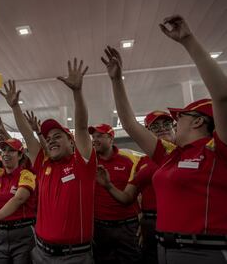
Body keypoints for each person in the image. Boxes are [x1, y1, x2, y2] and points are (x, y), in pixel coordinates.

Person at [101, 15, 227, 264]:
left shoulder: (218, 150)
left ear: (199, 121)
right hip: (164, 247)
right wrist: (116, 80)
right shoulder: (170, 155)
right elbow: (130, 125)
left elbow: (222, 97)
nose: (173, 122)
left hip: (205, 251)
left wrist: (188, 40)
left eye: (179, 117)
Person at [0, 58, 96, 263]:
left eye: (57, 136)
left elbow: (80, 127)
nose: (51, 141)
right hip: (40, 253)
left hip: (74, 257)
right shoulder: (43, 165)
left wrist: (77, 93)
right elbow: (27, 136)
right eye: (48, 138)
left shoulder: (82, 165)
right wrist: (15, 106)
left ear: (71, 142)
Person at [96, 111, 175, 264]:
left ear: (175, 127)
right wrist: (108, 185)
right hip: (151, 225)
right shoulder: (141, 162)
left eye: (166, 124)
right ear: (147, 132)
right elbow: (127, 197)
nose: (162, 129)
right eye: (155, 127)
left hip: (183, 225)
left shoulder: (189, 152)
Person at [89, 123, 142, 264]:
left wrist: (141, 219)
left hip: (128, 227)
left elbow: (140, 193)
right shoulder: (89, 164)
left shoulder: (129, 160)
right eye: (93, 136)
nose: (94, 139)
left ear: (111, 138)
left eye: (99, 136)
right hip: (100, 228)